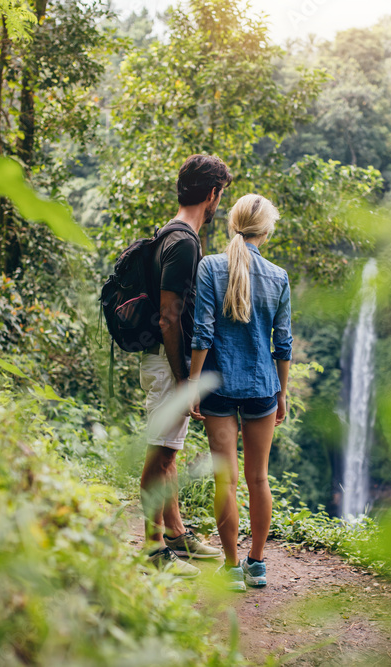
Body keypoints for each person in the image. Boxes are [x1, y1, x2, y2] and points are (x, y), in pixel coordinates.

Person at [188, 193, 292, 592]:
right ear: (266, 230)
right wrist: (281, 392)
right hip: (262, 387)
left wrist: (195, 384)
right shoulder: (278, 277)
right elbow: (282, 343)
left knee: (225, 482)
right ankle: (258, 564)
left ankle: (232, 568)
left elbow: (202, 332)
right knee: (258, 479)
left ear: (233, 225)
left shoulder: (210, 266)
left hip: (217, 385)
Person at [140, 154, 232, 577]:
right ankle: (153, 549)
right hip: (167, 360)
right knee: (160, 454)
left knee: (169, 450)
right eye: (220, 196)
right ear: (212, 195)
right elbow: (168, 316)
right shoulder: (185, 242)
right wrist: (184, 381)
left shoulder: (170, 234)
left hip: (162, 358)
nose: (219, 206)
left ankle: (176, 535)